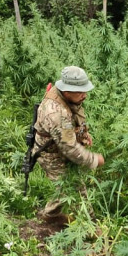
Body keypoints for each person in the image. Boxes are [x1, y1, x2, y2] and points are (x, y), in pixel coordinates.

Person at [32, 66, 104, 220]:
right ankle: (90, 227)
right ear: (66, 91)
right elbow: (69, 147)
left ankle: (51, 216)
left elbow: (73, 118)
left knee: (64, 188)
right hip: (50, 153)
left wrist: (83, 134)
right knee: (74, 188)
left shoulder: (68, 97)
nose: (84, 95)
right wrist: (93, 160)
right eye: (80, 92)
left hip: (60, 144)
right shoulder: (56, 113)